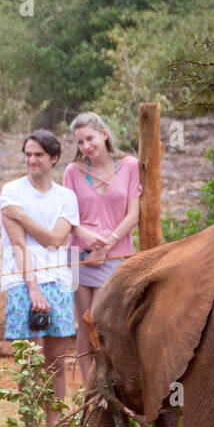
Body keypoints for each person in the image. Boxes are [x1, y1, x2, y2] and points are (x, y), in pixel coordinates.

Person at [0, 129, 79, 425]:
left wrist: (23, 217)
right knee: (30, 363)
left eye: (39, 155)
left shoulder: (66, 197)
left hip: (58, 280)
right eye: (28, 154)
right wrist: (33, 289)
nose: (31, 160)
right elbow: (19, 245)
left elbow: (55, 240)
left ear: (54, 159)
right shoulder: (11, 191)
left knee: (56, 362)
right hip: (23, 282)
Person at [62, 111, 142, 383]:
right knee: (84, 325)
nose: (85, 146)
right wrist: (85, 236)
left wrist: (105, 246)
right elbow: (68, 217)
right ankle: (91, 391)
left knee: (104, 323)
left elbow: (133, 214)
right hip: (78, 257)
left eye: (90, 138)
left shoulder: (130, 165)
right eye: (80, 142)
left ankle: (110, 384)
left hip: (115, 255)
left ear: (104, 134)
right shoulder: (73, 171)